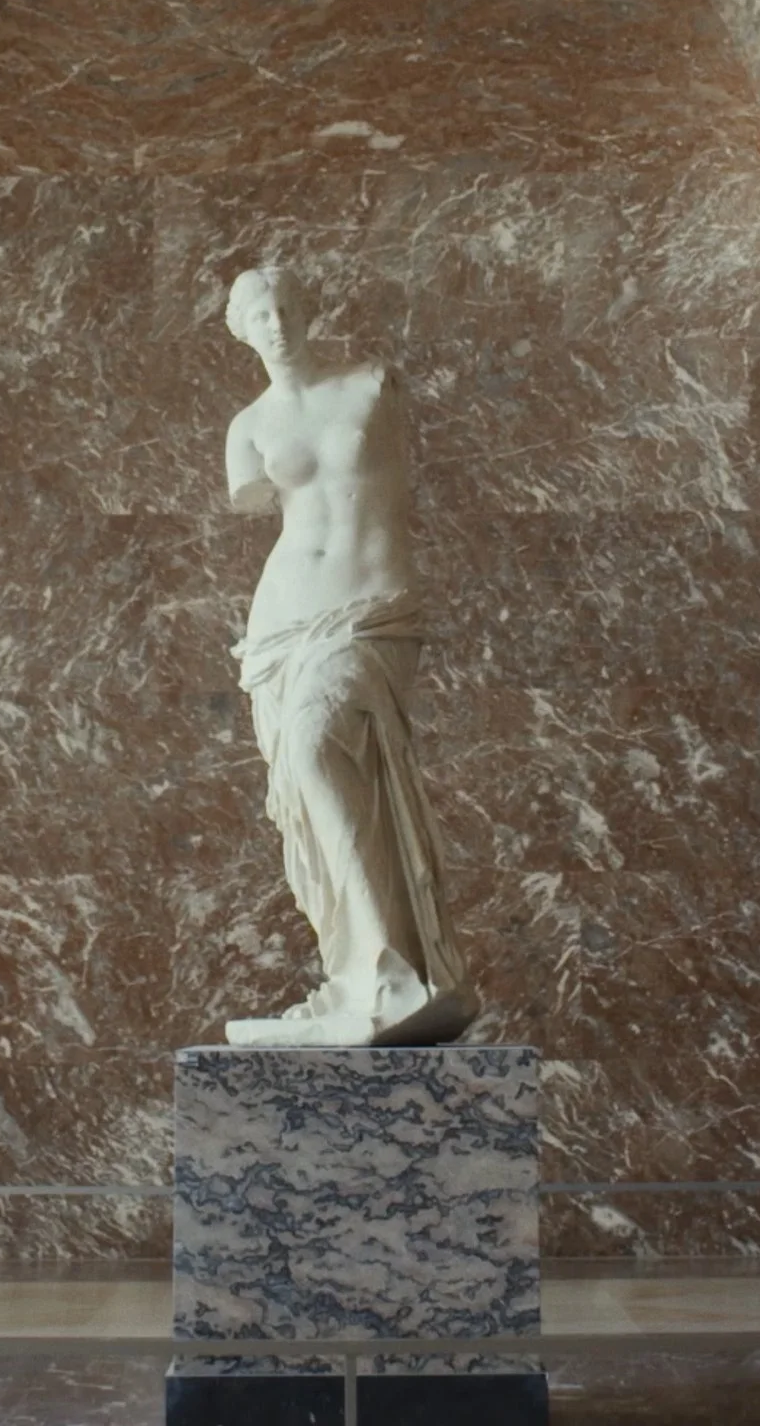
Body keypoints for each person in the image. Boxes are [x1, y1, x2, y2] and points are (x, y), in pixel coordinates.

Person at [218, 267, 478, 1047]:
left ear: (312, 311)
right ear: (242, 328)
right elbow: (264, 503)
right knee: (311, 778)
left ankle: (388, 967)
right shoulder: (249, 429)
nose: (278, 323)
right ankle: (366, 972)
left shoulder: (371, 387)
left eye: (291, 307)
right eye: (261, 313)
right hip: (285, 621)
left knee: (314, 746)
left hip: (371, 610)